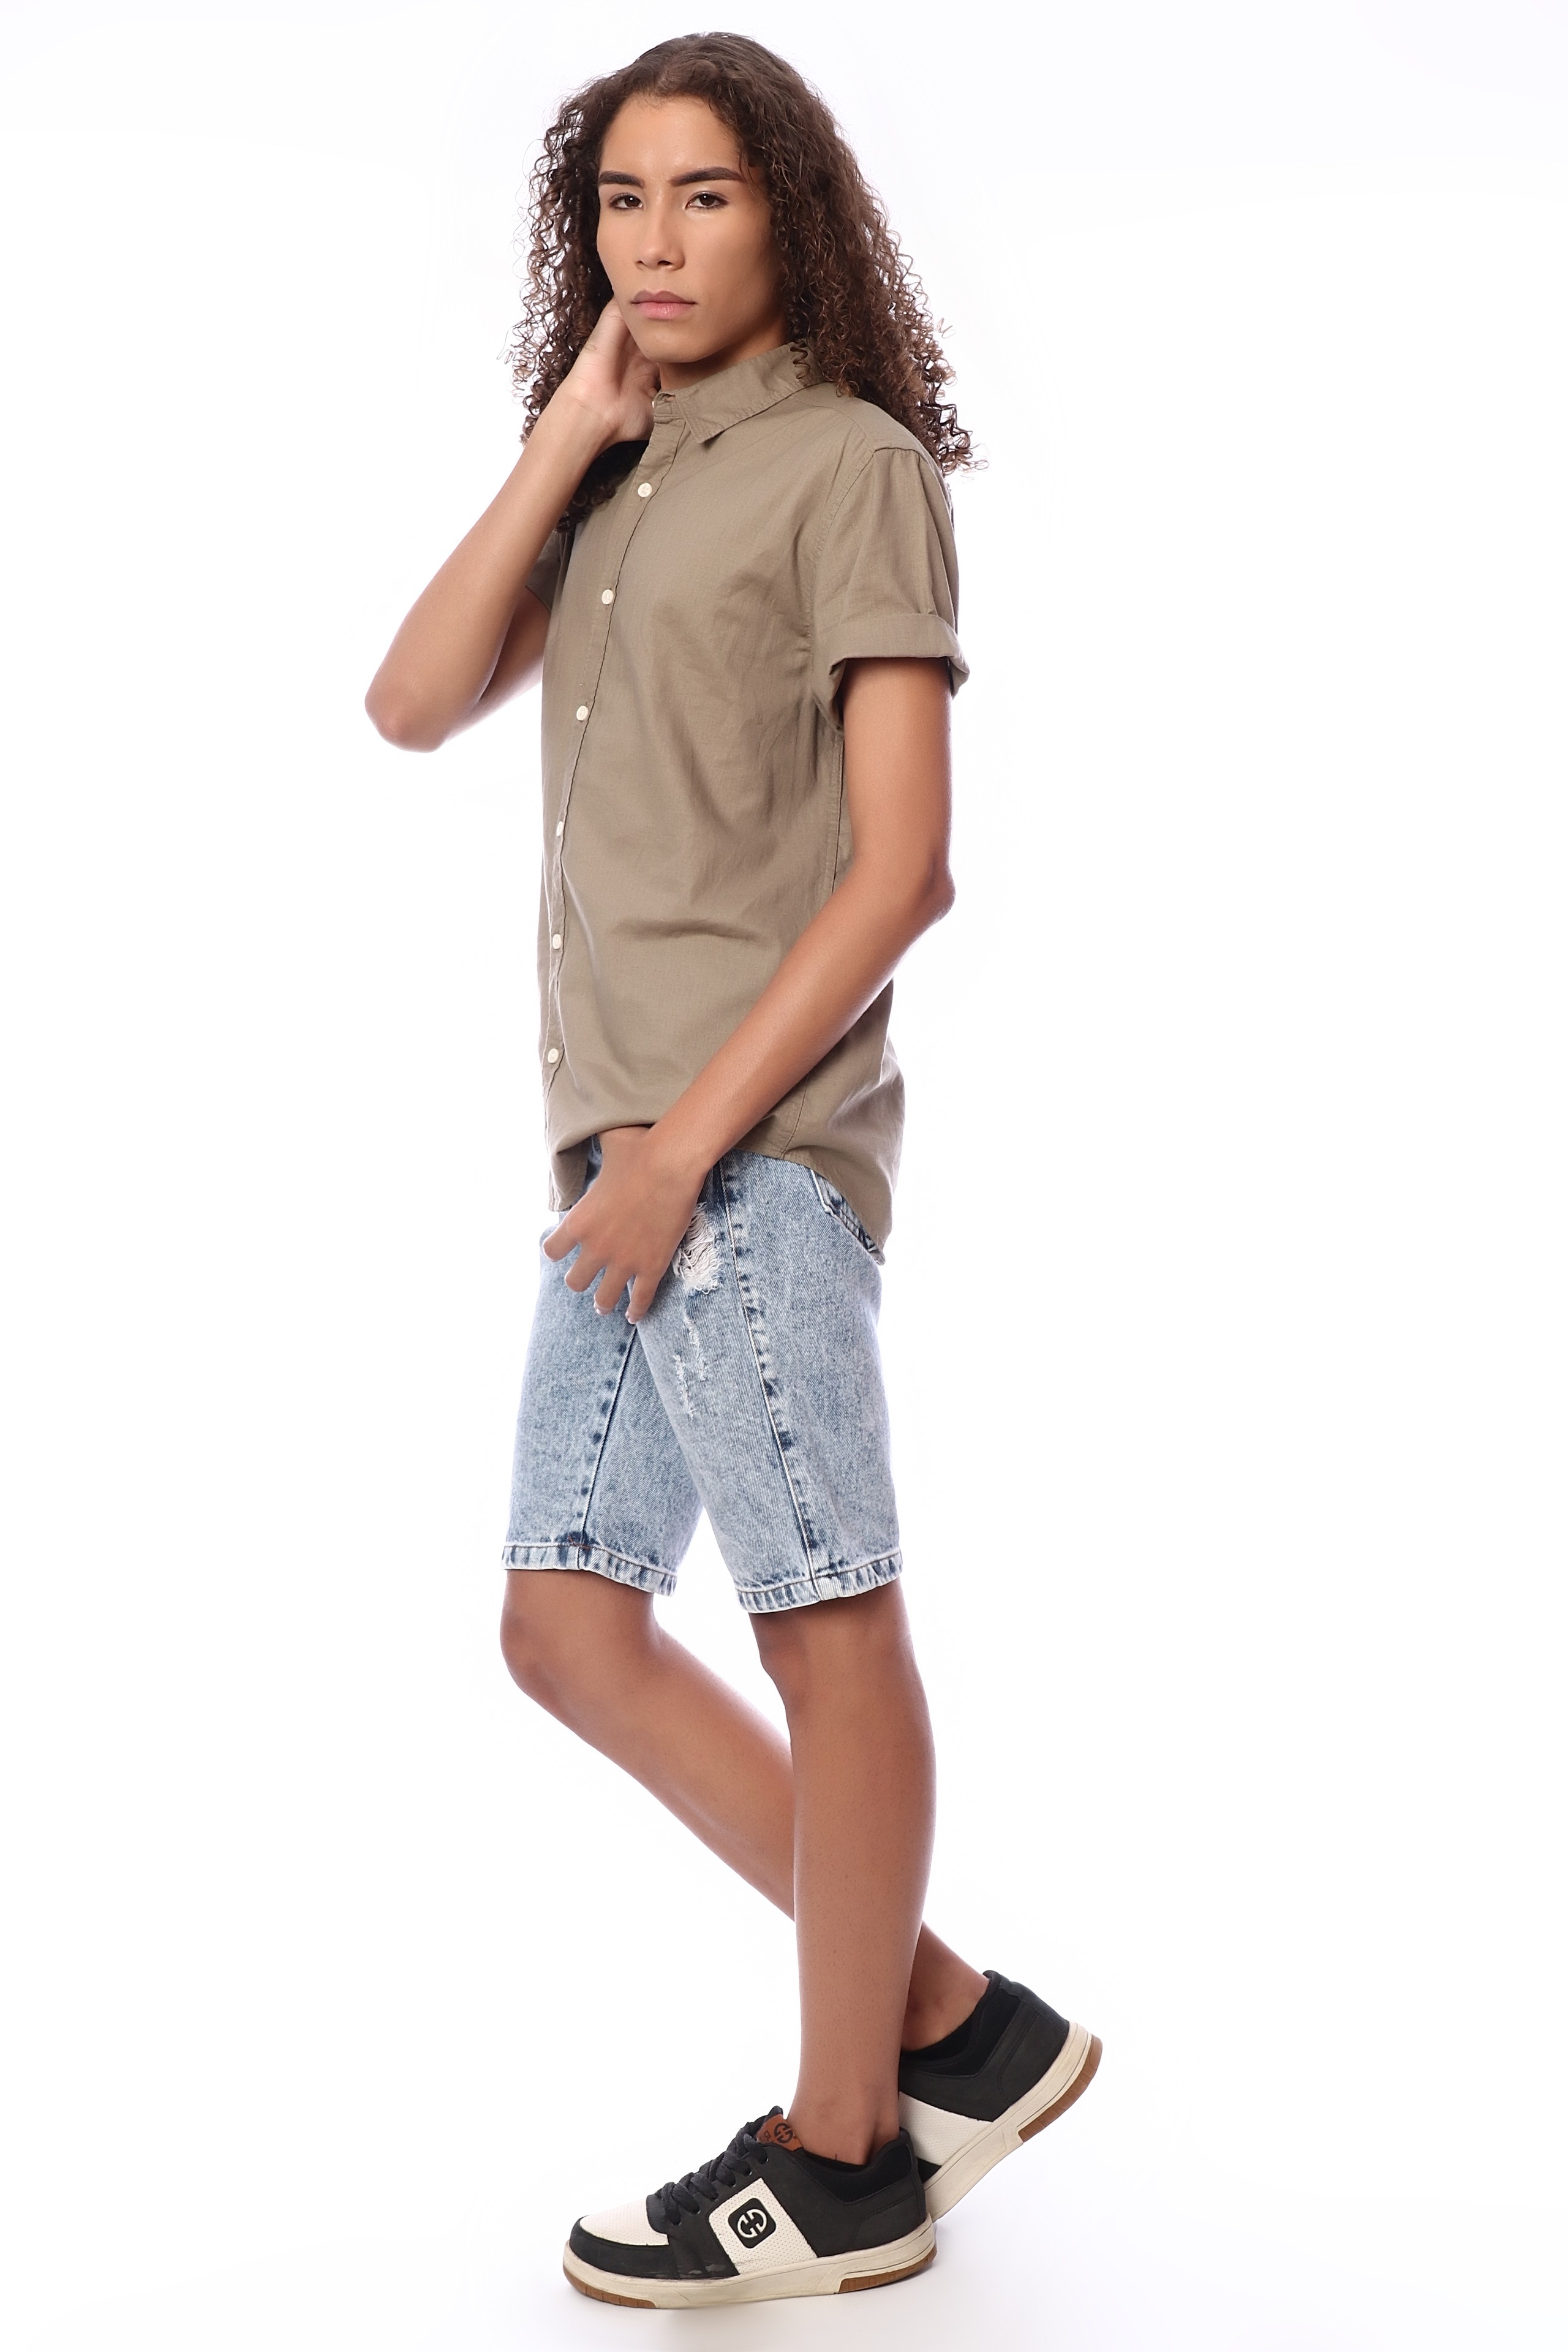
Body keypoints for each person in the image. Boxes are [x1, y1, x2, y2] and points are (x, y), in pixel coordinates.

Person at [366, 31, 1098, 2310]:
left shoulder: (851, 468)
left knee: (824, 1618)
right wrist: (567, 432)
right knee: (566, 1627)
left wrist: (690, 1151)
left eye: (704, 196)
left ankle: (849, 2150)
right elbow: (408, 701)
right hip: (626, 1168)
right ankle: (955, 2022)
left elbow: (904, 870)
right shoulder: (624, 471)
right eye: (619, 201)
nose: (654, 243)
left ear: (794, 213)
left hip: (743, 1158)